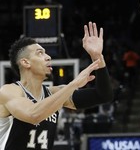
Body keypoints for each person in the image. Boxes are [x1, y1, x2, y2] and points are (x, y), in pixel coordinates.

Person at [0, 22, 113, 150]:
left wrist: (97, 57)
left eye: (46, 53)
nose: (48, 57)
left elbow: (103, 95)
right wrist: (73, 84)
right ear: (25, 62)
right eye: (40, 53)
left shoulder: (54, 94)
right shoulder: (9, 91)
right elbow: (33, 115)